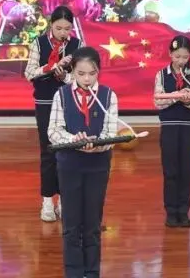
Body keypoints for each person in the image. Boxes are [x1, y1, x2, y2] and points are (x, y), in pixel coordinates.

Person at [48, 47, 118, 278]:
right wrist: (73, 140)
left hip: (98, 166)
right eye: (81, 73)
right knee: (71, 224)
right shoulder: (61, 95)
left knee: (92, 224)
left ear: (99, 71)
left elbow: (110, 133)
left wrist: (97, 144)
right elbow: (53, 131)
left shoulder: (108, 96)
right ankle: (74, 272)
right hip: (69, 165)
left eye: (92, 73)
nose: (87, 79)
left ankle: (92, 272)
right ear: (72, 72)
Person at [24, 5, 80, 222]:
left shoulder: (77, 45)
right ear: (51, 25)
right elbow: (29, 73)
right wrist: (50, 68)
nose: (63, 33)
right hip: (45, 102)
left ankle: (64, 201)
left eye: (67, 29)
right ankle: (47, 201)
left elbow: (81, 78)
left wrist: (64, 77)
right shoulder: (38, 43)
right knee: (48, 151)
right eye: (59, 28)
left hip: (69, 103)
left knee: (67, 151)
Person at [154, 34, 190, 228]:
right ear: (170, 54)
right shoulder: (161, 75)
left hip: (189, 128)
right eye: (177, 56)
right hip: (169, 128)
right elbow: (158, 102)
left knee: (186, 170)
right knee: (170, 170)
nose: (181, 61)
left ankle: (183, 211)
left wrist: (189, 100)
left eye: (185, 57)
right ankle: (171, 212)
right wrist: (175, 96)